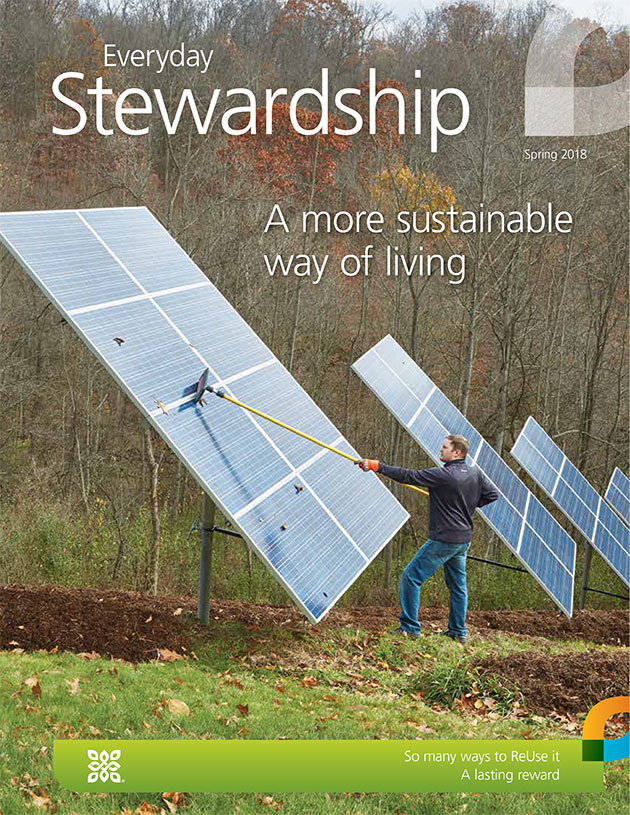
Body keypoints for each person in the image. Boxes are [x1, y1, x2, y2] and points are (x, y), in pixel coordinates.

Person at [356, 434, 499, 643]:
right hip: (463, 539)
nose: (440, 450)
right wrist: (466, 505)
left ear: (457, 452)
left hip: (444, 539)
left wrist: (378, 466)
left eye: (445, 447)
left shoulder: (443, 475)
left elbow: (409, 476)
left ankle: (410, 628)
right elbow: (492, 495)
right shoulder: (475, 474)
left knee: (411, 577)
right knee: (458, 586)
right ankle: (458, 632)